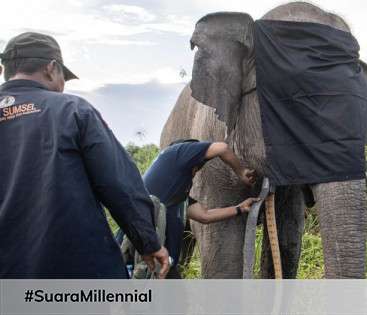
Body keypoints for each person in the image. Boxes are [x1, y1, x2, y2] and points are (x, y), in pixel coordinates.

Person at [0, 32, 169, 278]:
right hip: (77, 274)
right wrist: (148, 242)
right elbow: (119, 184)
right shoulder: (73, 111)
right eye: (63, 77)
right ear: (51, 68)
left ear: (7, 69)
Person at [128, 139, 257, 278]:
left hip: (163, 265)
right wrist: (242, 172)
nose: (197, 170)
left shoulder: (174, 193)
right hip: (146, 262)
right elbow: (222, 148)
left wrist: (239, 208)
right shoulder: (178, 153)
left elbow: (204, 216)